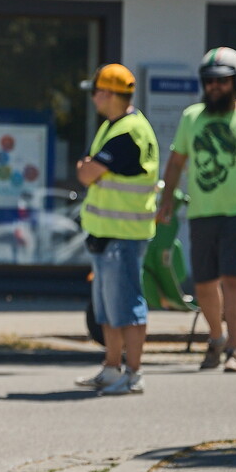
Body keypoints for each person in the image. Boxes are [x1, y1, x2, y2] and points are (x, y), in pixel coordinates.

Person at [156, 48, 236, 374]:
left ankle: (234, 350)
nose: (215, 87)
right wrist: (166, 199)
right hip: (201, 212)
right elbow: (176, 162)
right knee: (203, 284)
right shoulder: (192, 117)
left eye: (222, 81)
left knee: (232, 279)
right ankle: (216, 337)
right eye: (210, 81)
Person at [72, 64, 160, 396]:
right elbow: (88, 168)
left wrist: (88, 167)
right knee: (108, 309)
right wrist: (89, 167)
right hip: (109, 233)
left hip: (123, 235)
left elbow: (85, 172)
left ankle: (133, 373)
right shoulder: (115, 126)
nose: (93, 99)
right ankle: (112, 369)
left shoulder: (128, 132)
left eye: (95, 92)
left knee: (127, 308)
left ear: (108, 93)